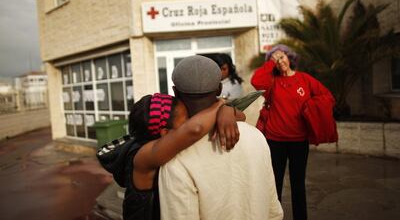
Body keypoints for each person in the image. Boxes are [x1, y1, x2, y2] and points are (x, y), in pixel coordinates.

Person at [158, 55, 283, 220]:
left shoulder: (175, 156)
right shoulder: (256, 138)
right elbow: (274, 211)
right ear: (218, 89)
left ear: (175, 92)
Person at [98, 93, 245, 220]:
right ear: (165, 133)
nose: (192, 120)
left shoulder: (158, 144)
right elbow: (195, 128)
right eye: (187, 119)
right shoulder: (143, 156)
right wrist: (220, 104)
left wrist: (225, 111)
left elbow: (241, 116)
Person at [251, 44, 335, 220]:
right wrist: (269, 64)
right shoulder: (272, 83)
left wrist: (310, 108)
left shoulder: (305, 79)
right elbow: (256, 81)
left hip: (299, 140)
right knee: (275, 184)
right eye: (275, 58)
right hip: (275, 140)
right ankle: (275, 217)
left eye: (282, 56)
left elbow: (327, 96)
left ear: (290, 58)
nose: (280, 61)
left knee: (298, 184)